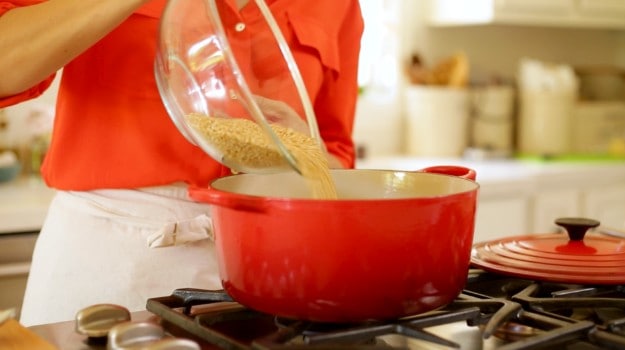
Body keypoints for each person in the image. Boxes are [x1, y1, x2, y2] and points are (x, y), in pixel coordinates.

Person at [0, 0, 363, 325]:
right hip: (108, 255)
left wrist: (299, 145)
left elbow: (334, 158)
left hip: (265, 267)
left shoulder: (339, 6)